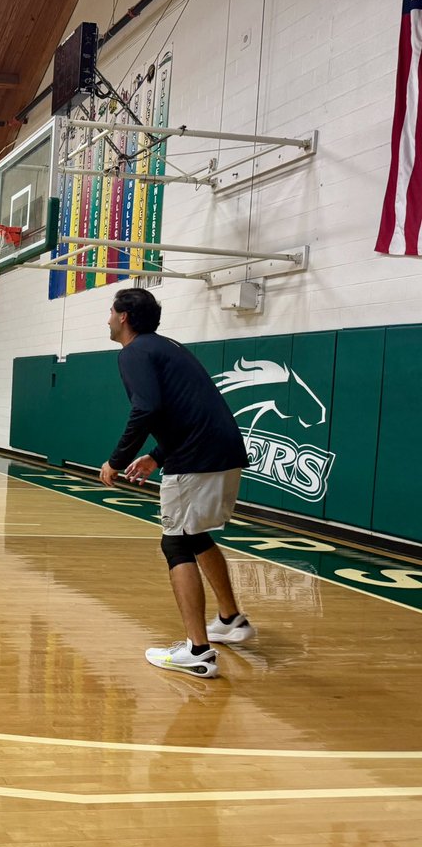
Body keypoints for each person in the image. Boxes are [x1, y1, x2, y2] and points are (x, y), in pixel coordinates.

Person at [98, 287, 255, 679]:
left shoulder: (134, 352)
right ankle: (230, 619)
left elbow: (147, 407)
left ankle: (198, 651)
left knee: (176, 541)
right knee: (196, 534)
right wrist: (157, 456)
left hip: (198, 458)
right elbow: (187, 410)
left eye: (111, 312)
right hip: (220, 450)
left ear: (124, 318)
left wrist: (115, 461)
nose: (108, 318)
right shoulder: (166, 347)